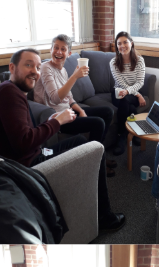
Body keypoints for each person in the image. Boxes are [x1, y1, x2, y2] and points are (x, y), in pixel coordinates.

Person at [0, 48, 125, 233]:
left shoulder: (14, 91)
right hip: (31, 162)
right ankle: (105, 215)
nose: (35, 71)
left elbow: (24, 134)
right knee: (90, 146)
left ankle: (95, 166)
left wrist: (52, 121)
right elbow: (24, 142)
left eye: (36, 66)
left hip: (40, 152)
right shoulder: (9, 92)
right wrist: (57, 121)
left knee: (85, 142)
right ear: (12, 67)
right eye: (28, 65)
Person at [34, 34, 117, 177]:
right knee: (98, 123)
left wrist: (81, 111)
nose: (58, 52)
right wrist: (75, 76)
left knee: (108, 111)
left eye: (63, 49)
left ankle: (98, 155)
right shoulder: (45, 68)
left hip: (69, 112)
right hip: (58, 118)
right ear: (51, 49)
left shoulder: (63, 70)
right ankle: (95, 163)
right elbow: (55, 98)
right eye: (56, 48)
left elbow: (69, 98)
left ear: (69, 53)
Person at [110, 31, 146, 155]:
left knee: (126, 100)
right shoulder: (113, 63)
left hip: (130, 95)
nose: (122, 45)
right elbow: (121, 84)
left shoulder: (140, 61)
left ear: (131, 43)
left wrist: (131, 92)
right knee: (126, 102)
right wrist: (138, 94)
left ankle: (122, 135)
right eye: (119, 43)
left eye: (125, 42)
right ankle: (133, 131)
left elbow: (140, 82)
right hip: (118, 93)